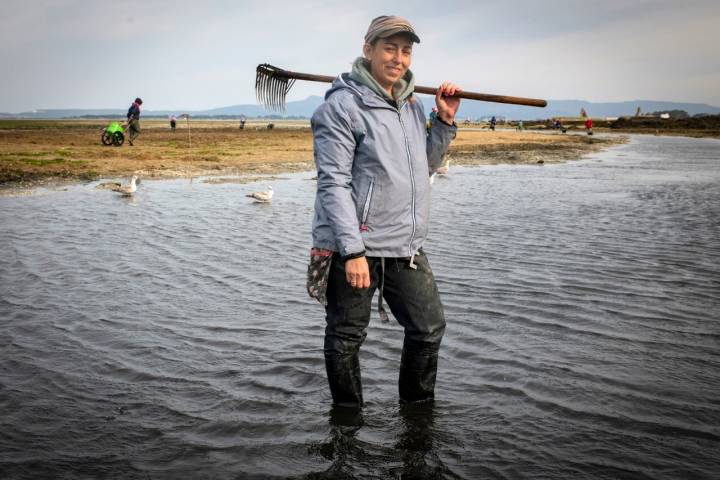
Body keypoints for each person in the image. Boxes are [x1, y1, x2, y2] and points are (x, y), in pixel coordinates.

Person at [308, 15, 461, 408]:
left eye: (406, 50)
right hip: (355, 243)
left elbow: (422, 165)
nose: (398, 58)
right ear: (368, 50)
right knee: (346, 335)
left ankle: (417, 411)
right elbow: (333, 183)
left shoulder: (412, 104)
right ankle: (346, 418)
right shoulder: (343, 106)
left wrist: (444, 120)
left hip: (405, 245)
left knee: (428, 328)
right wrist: (353, 251)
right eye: (390, 48)